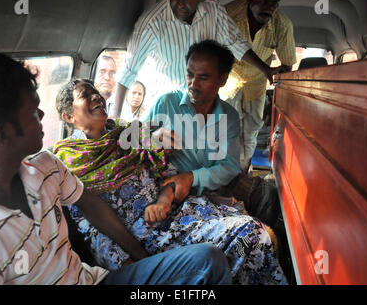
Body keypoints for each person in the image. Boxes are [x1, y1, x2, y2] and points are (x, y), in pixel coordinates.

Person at [0, 51, 232, 285]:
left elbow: (90, 203)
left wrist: (140, 257)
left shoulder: (46, 167)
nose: (42, 115)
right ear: (3, 133)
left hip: (96, 280)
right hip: (136, 236)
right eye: (34, 111)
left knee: (209, 260)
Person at [53, 53, 286, 284]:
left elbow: (165, 172)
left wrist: (167, 193)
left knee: (255, 231)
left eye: (95, 91)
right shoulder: (69, 163)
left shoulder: (126, 133)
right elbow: (90, 226)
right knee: (250, 235)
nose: (96, 96)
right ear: (68, 116)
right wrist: (133, 265)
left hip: (176, 212)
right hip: (147, 237)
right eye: (86, 95)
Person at [109, 0, 281, 119]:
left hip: (204, 106)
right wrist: (114, 116)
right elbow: (129, 70)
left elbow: (235, 42)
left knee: (201, 156)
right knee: (158, 155)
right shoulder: (152, 23)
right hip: (166, 106)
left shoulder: (212, 9)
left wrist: (265, 69)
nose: (180, 3)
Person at [144, 40, 240, 201]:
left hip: (207, 198)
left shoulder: (230, 117)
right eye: (190, 75)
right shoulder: (165, 103)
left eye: (203, 77)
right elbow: (132, 143)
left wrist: (192, 178)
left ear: (222, 80)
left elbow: (229, 166)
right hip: (160, 193)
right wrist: (153, 138)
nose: (193, 84)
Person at [223, 0, 296, 170]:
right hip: (228, 78)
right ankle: (224, 172)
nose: (269, 7)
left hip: (257, 82)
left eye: (274, 3)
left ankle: (243, 173)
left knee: (251, 131)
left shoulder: (282, 25)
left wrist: (281, 79)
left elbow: (287, 65)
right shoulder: (229, 14)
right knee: (226, 129)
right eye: (264, 0)